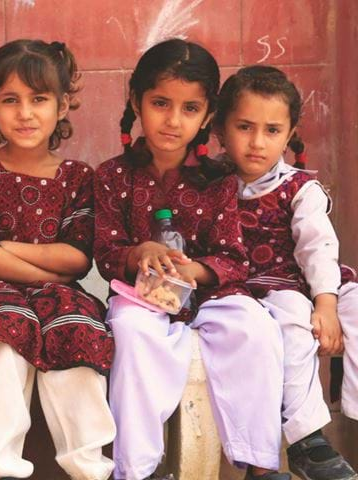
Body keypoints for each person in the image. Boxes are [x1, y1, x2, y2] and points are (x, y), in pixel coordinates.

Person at [94, 39, 289, 480]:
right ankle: (137, 468)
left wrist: (193, 271)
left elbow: (234, 259)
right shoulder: (112, 175)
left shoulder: (220, 179)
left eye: (189, 108)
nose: (173, 120)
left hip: (213, 295)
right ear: (135, 101)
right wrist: (140, 253)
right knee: (129, 331)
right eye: (161, 103)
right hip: (142, 299)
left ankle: (260, 464)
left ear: (207, 115)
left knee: (256, 328)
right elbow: (106, 254)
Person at [0, 39, 115, 480]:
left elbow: (77, 258)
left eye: (39, 99)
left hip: (63, 294)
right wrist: (45, 271)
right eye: (11, 100)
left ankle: (88, 465)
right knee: (5, 332)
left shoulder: (78, 177)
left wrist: (4, 246)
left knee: (79, 331)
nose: (25, 113)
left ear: (63, 106)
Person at [214, 64, 358, 480]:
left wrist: (326, 305)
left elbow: (318, 249)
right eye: (244, 127)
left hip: (311, 282)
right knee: (294, 313)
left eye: (273, 130)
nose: (258, 143)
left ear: (290, 132)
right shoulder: (207, 184)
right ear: (221, 129)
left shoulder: (300, 188)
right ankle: (306, 440)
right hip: (252, 291)